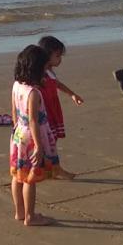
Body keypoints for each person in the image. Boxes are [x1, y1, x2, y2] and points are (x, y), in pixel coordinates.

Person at [10, 44, 59, 226]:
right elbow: (33, 121)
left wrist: (16, 129)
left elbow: (14, 110)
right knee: (30, 178)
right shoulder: (34, 93)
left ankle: (19, 212)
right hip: (31, 136)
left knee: (17, 175)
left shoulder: (17, 86)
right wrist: (39, 146)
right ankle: (31, 216)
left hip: (18, 136)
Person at [37, 35, 82, 180]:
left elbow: (57, 84)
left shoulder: (49, 71)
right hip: (45, 112)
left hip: (53, 109)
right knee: (48, 142)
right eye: (57, 56)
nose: (60, 59)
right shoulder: (39, 74)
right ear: (46, 55)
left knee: (51, 140)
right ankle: (54, 169)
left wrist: (72, 94)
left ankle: (48, 169)